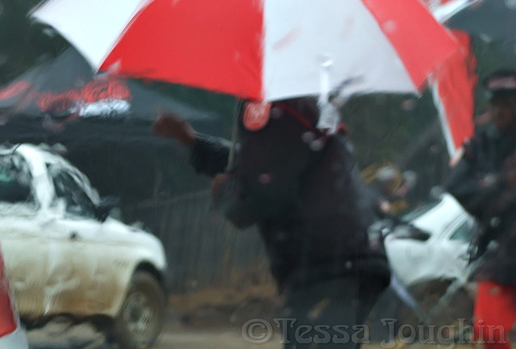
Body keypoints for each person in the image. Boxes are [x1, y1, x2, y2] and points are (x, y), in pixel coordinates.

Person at [154, 97, 390, 349]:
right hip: (348, 257)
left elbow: (264, 187)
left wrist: (227, 191)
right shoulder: (303, 104)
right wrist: (194, 143)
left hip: (323, 263)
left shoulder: (273, 106)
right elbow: (260, 163)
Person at [446, 69, 516, 349]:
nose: (500, 110)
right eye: (495, 103)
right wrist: (501, 185)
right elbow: (457, 185)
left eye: (508, 103)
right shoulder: (479, 147)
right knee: (489, 333)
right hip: (501, 253)